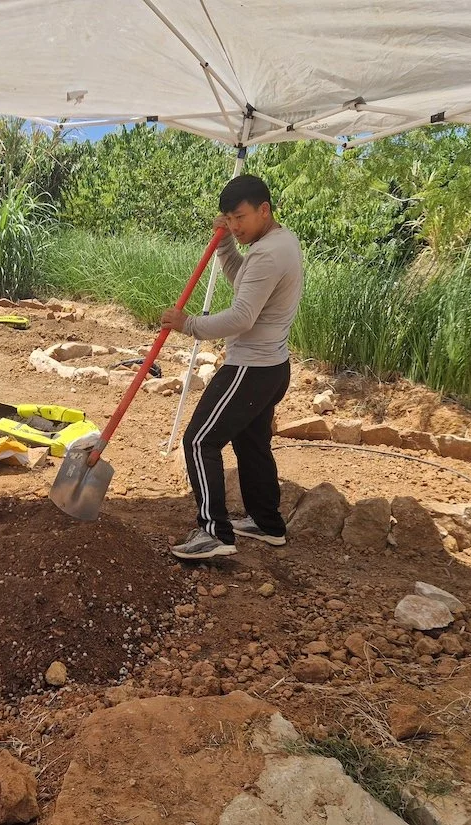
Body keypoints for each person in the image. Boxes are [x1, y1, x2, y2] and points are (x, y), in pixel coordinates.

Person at [160, 174, 304, 560]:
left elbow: (241, 316)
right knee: (251, 442)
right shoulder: (281, 242)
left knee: (199, 440)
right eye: (229, 218)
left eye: (240, 218)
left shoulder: (268, 253)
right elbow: (244, 281)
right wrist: (224, 241)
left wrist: (188, 325)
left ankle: (214, 533)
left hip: (250, 369)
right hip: (272, 367)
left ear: (264, 210)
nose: (235, 226)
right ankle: (267, 522)